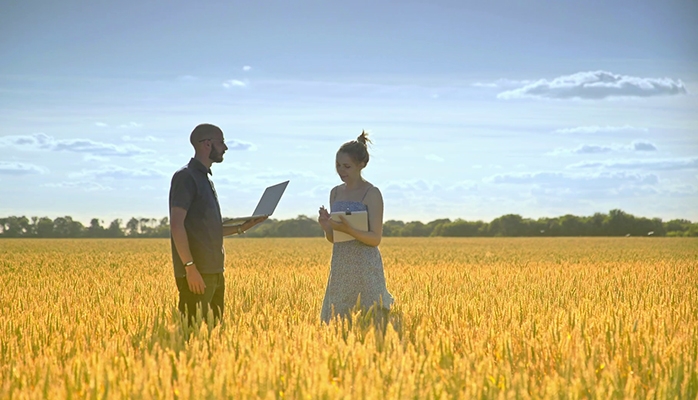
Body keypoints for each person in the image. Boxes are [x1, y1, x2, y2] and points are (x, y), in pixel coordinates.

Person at [169, 123, 266, 326]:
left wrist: (244, 227)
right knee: (190, 333)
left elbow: (209, 229)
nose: (225, 148)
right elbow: (177, 225)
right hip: (197, 274)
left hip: (214, 272)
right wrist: (190, 268)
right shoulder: (185, 177)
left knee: (213, 335)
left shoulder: (205, 179)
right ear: (207, 144)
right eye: (221, 142)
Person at [317, 131, 394, 327]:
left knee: (371, 322)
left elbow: (375, 239)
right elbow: (335, 239)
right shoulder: (335, 193)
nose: (341, 171)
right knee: (338, 321)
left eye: (347, 166)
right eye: (338, 166)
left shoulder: (372, 193)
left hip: (365, 267)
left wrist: (349, 229)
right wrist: (327, 228)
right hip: (341, 265)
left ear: (362, 165)